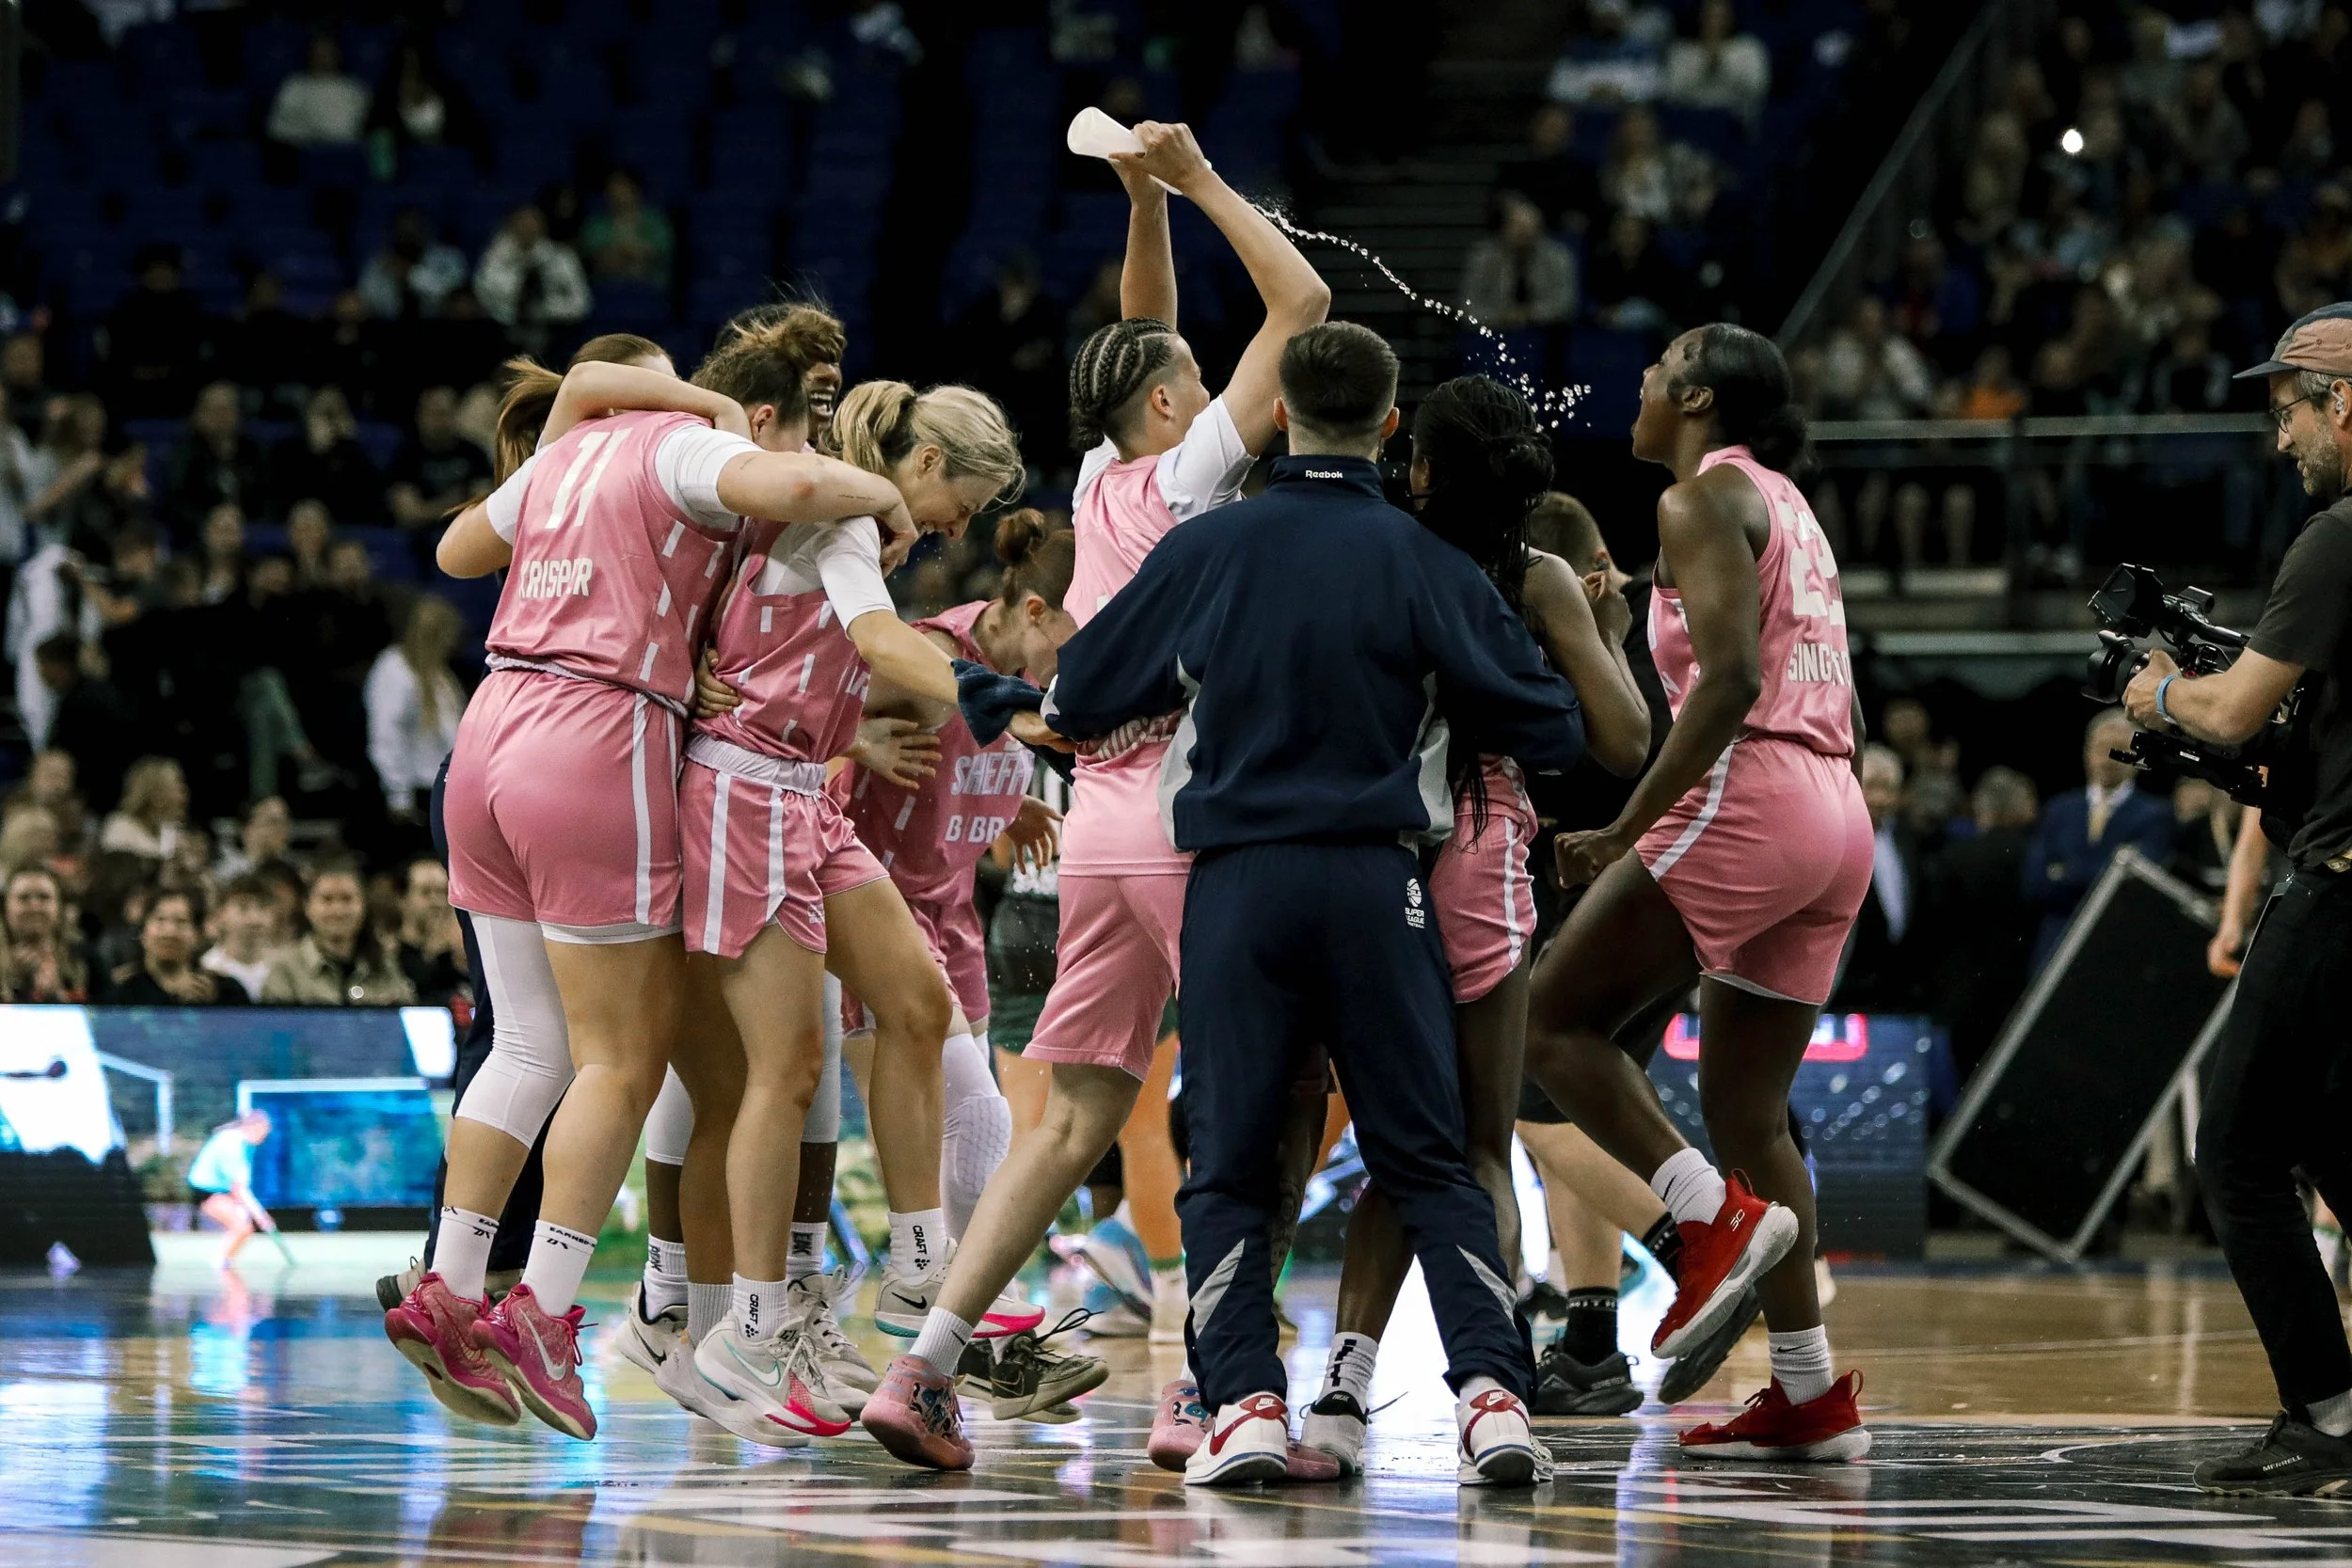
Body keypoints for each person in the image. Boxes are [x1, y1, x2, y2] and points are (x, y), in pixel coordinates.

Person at [1030, 320, 1584, 1488]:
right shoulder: (1424, 560)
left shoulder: (1207, 545)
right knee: (1428, 1154)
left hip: (1236, 884)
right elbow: (1553, 725)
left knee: (1227, 1160)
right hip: (1377, 882)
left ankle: (1241, 1406)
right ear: (1389, 428)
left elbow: (1078, 693)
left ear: (1278, 416)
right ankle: (1491, 1397)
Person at [854, 118, 1330, 1473]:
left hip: (1097, 832)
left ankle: (925, 1368)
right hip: (1187, 815)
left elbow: (1145, 328)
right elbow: (1301, 302)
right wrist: (1198, 183)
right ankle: (1204, 1390)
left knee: (1071, 1118)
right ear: (1180, 404)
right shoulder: (1189, 474)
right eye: (1198, 375)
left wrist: (1139, 207)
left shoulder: (1107, 474)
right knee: (1234, 1106)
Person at [392, 327, 919, 1441]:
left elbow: (450, 553)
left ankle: (448, 1282)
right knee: (618, 1058)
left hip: (486, 730)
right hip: (595, 733)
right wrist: (882, 493)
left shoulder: (565, 455)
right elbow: (808, 481)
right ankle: (539, 1307)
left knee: (527, 1043)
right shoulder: (681, 445)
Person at [1522, 323, 1874, 1464]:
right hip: (1834, 807)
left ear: (1700, 396)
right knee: (1748, 1112)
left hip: (1757, 787)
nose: (1636, 376)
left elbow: (1729, 682)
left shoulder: (1694, 501)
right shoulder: (1786, 503)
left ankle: (1707, 1224)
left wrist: (1628, 828)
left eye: (1659, 361)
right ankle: (1811, 1392)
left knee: (1550, 1019)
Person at [668, 361, 1034, 1447]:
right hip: (741, 792)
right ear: (922, 465)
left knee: (919, 1007)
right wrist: (1006, 698)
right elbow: (879, 643)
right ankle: (745, 1321)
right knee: (779, 1075)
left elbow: (835, 661)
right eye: (956, 506)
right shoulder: (849, 510)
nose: (952, 529)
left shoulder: (867, 524)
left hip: (804, 800)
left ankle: (919, 1269)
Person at [1294, 376, 1652, 1475]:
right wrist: (1593, 629)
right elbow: (1626, 739)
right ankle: (1492, 1397)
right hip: (1483, 845)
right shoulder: (1533, 572)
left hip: (1361, 850)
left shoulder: (1375, 543)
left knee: (1387, 1145)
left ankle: (1340, 1389)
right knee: (1478, 1150)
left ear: (1421, 465)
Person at [2120, 302, 2352, 1493]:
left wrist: (2159, 693)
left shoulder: (2339, 536)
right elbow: (2294, 752)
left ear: (2342, 403)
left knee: (2239, 1153)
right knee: (2324, 1131)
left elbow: (2229, 712)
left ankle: (2325, 1410)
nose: (2279, 442)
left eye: (2287, 413)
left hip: (2342, 885)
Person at [828, 511, 1082, 1420]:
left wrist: (1006, 809)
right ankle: (991, 1343)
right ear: (1033, 610)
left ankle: (973, 1347)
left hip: (951, 913)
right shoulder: (929, 659)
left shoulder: (1014, 677)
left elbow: (977, 750)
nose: (1077, 665)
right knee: (980, 1122)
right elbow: (796, 716)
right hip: (874, 912)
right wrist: (854, 740)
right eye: (1074, 640)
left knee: (971, 1133)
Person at [2024, 708, 2174, 971]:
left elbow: (2132, 887)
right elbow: (2035, 884)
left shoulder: (2154, 816)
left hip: (2116, 951)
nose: (2107, 759)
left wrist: (2064, 872)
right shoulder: (2058, 810)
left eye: (2117, 749)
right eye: (2101, 748)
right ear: (2086, 752)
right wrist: (2106, 869)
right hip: (2054, 949)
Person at [366, 596, 469, 826]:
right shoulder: (394, 668)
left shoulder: (442, 678)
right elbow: (386, 734)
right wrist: (398, 795)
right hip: (413, 790)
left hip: (442, 787)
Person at [262, 859, 416, 1006]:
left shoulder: (385, 965)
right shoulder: (285, 970)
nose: (338, 910)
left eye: (347, 899)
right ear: (307, 906)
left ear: (363, 905)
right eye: (327, 899)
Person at [472, 206, 593, 350]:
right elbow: (482, 294)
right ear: (511, 225)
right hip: (502, 331)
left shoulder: (562, 258)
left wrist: (545, 310)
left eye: (533, 223)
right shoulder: (495, 257)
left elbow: (582, 303)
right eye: (522, 223)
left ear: (543, 226)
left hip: (553, 331)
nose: (527, 228)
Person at [105, 888, 250, 1005]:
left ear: (198, 935)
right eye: (160, 920)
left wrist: (211, 1009)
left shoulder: (227, 991)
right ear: (143, 932)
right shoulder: (122, 993)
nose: (170, 932)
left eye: (181, 922)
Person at [386, 387, 494, 531]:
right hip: (418, 540)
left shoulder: (473, 453)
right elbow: (408, 515)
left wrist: (428, 508)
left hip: (465, 537)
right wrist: (452, 503)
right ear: (420, 416)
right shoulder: (406, 454)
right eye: (434, 414)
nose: (441, 422)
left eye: (446, 414)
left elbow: (484, 510)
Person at [187, 1111, 277, 1266]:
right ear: (253, 1127)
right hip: (207, 1191)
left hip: (222, 1190)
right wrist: (260, 1216)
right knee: (242, 1228)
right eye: (263, 1132)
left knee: (243, 1225)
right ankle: (220, 1266)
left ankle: (224, 1262)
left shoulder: (244, 1142)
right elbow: (239, 1189)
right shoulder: (232, 1145)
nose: (264, 1138)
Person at [2, 863, 87, 1002]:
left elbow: (106, 1015)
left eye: (44, 897)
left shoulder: (86, 957)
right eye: (24, 898)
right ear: (5, 907)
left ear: (59, 906)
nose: (35, 906)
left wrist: (56, 995)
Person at [267, 31, 369, 146]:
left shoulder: (353, 88)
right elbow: (277, 127)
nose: (322, 58)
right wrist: (311, 135)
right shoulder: (294, 86)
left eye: (327, 53)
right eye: (318, 53)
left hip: (345, 152)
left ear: (337, 55)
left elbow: (359, 128)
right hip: (303, 153)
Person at [579, 170, 675, 288]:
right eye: (612, 188)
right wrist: (633, 253)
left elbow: (657, 252)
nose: (617, 193)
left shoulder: (655, 222)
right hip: (608, 289)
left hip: (650, 289)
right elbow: (599, 258)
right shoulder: (596, 225)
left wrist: (623, 251)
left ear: (635, 191)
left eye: (622, 187)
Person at [397, 856, 468, 1006]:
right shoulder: (385, 959)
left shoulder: (463, 960)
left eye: (443, 892)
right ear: (403, 898)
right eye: (426, 892)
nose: (437, 901)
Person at [202, 874, 281, 1002]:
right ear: (221, 914)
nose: (255, 919)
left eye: (262, 907)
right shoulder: (207, 968)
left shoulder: (283, 969)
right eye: (243, 908)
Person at [99, 756, 190, 863]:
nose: (184, 797)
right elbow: (118, 870)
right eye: (179, 788)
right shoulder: (120, 826)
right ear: (157, 796)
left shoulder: (170, 834)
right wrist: (168, 859)